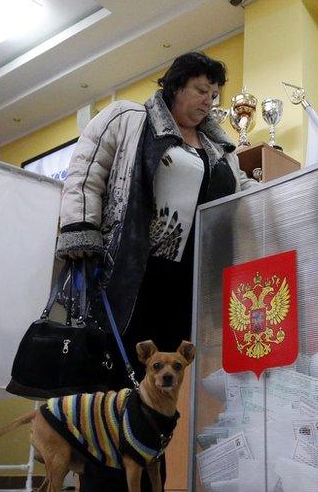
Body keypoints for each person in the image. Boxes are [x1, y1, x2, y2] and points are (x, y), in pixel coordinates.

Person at [55, 51, 255, 490]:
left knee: (158, 400)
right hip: (131, 276)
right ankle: (102, 483)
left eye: (215, 93)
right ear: (176, 85)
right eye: (201, 90)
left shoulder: (221, 147)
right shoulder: (128, 118)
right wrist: (80, 230)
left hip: (186, 284)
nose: (209, 100)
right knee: (116, 388)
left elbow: (238, 198)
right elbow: (87, 171)